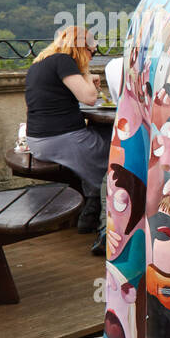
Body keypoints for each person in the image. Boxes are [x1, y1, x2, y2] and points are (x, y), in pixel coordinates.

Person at [24, 25, 107, 233]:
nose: (92, 55)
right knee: (117, 145)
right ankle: (103, 211)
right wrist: (87, 76)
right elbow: (88, 98)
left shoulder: (40, 63)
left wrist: (84, 77)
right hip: (60, 139)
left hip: (38, 140)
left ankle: (92, 207)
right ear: (81, 48)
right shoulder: (63, 61)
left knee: (95, 141)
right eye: (92, 51)